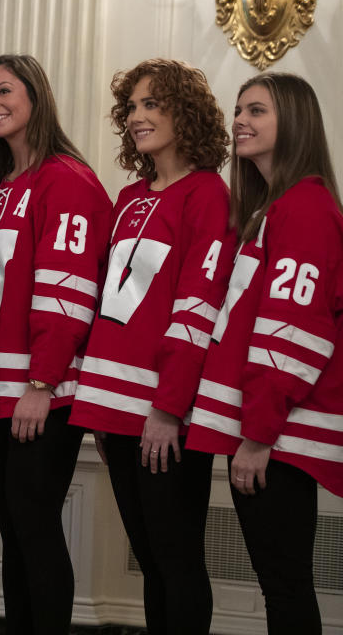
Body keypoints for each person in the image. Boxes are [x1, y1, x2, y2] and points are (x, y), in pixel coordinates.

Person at [68, 59, 234, 635]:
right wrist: (97, 404)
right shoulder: (128, 196)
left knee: (176, 556)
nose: (138, 117)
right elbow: (109, 308)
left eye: (153, 104)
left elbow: (199, 306)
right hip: (112, 404)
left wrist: (168, 407)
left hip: (163, 410)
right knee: (150, 558)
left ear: (184, 113)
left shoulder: (209, 194)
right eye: (133, 106)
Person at [0, 54, 111, 633]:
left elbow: (69, 292)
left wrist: (40, 383)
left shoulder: (65, 179)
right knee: (15, 529)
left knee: (34, 528)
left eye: (5, 90)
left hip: (40, 391)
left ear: (36, 97)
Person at [186, 73, 343, 634]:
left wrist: (258, 435)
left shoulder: (305, 208)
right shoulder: (273, 209)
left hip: (277, 435)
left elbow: (294, 331)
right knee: (281, 582)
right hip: (265, 428)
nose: (239, 122)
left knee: (285, 584)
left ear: (293, 122)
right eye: (238, 110)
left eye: (257, 111)